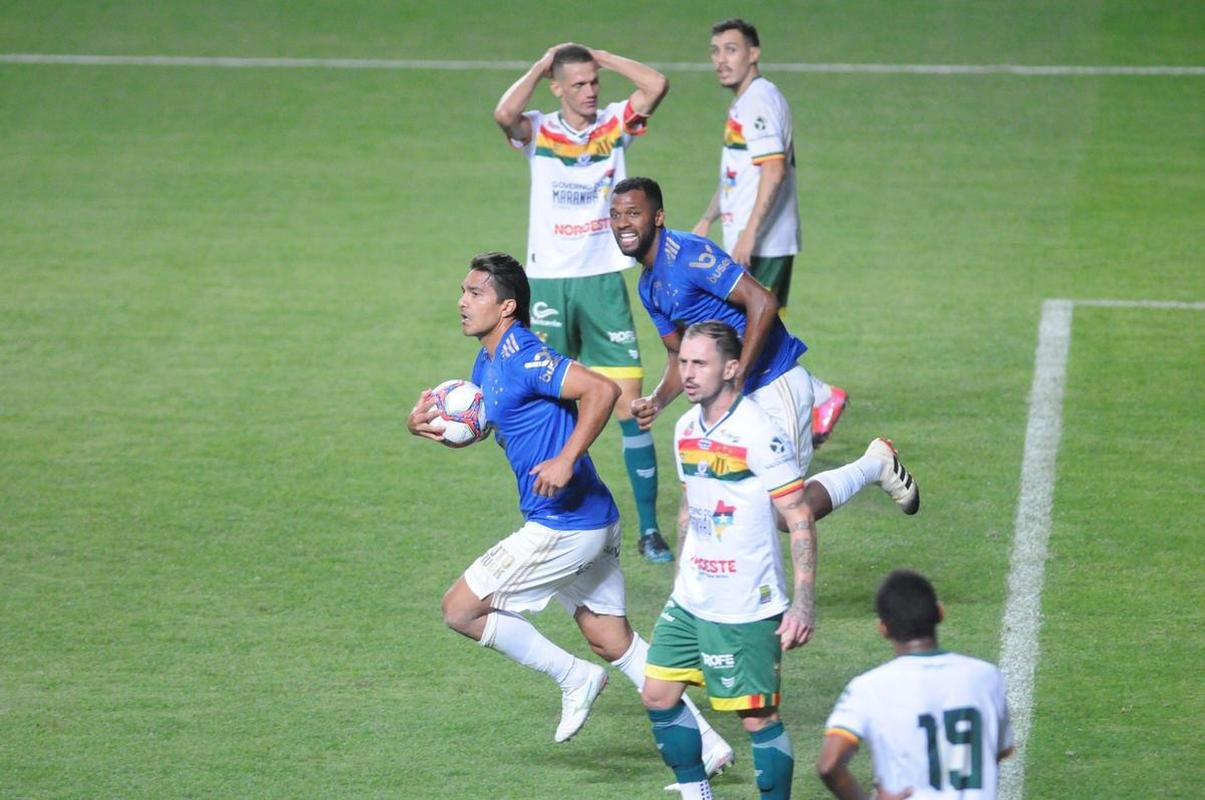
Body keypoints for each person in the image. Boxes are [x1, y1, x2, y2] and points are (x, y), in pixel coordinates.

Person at [407, 252, 734, 770]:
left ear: (507, 306)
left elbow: (602, 391)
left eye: (475, 294)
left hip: (564, 524)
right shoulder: (487, 361)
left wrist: (565, 458)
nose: (462, 302)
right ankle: (710, 745)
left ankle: (572, 676)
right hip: (592, 517)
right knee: (612, 639)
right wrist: (428, 428)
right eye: (463, 291)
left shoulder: (523, 355)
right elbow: (492, 424)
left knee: (460, 609)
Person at [609, 176, 919, 526]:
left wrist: (738, 374)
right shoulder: (649, 286)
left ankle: (875, 464)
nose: (622, 223)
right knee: (735, 499)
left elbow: (762, 302)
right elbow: (677, 353)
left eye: (633, 213)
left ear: (658, 217)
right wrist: (657, 401)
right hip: (735, 400)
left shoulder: (690, 255)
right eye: (615, 215)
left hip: (774, 382)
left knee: (787, 510)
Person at [493, 43, 675, 563]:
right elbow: (503, 114)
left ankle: (649, 529)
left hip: (601, 284)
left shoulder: (614, 124)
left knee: (628, 407)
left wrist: (604, 57)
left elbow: (656, 84)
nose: (591, 91)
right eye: (578, 84)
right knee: (549, 406)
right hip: (548, 282)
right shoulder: (538, 129)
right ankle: (552, 515)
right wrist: (540, 63)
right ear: (557, 89)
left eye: (594, 82)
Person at [643, 321, 816, 800]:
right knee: (657, 694)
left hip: (745, 603)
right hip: (692, 597)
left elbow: (799, 516)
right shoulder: (684, 427)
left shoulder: (759, 431)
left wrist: (801, 604)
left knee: (758, 716)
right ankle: (696, 793)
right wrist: (681, 576)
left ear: (732, 368)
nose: (688, 373)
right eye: (683, 362)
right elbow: (688, 504)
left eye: (700, 363)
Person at [692, 18, 847, 447]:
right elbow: (738, 176)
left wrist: (749, 236)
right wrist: (710, 217)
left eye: (731, 50)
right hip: (750, 239)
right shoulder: (746, 102)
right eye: (715, 51)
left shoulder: (759, 100)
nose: (721, 60)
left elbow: (774, 171)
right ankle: (811, 399)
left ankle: (815, 398)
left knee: (750, 334)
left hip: (763, 243)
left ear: (754, 53)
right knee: (750, 331)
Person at [817, 570, 1015, 799]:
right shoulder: (987, 677)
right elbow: (999, 751)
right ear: (940, 613)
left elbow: (828, 765)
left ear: (883, 628)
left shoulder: (867, 688)